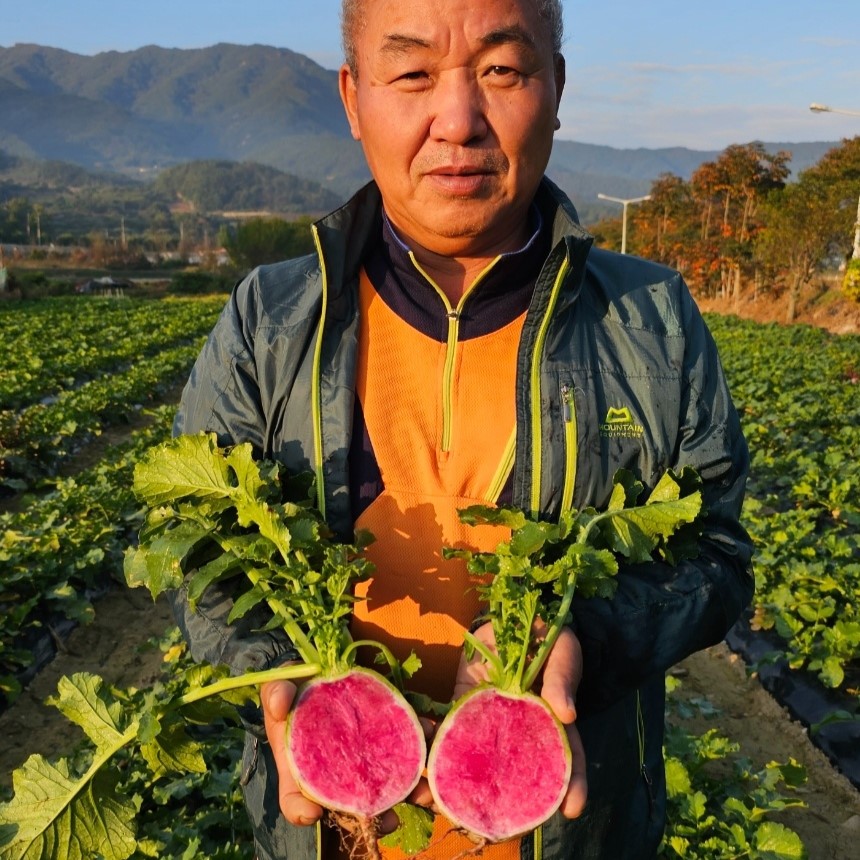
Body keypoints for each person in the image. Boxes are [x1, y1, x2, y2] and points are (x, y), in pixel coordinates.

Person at [170, 0, 755, 857]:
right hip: (327, 830)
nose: (458, 120)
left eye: (502, 71)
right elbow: (198, 556)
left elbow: (718, 553)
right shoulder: (268, 322)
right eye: (411, 73)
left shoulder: (653, 320)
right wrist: (286, 672)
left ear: (555, 88)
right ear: (352, 96)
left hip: (574, 832)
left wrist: (582, 637)